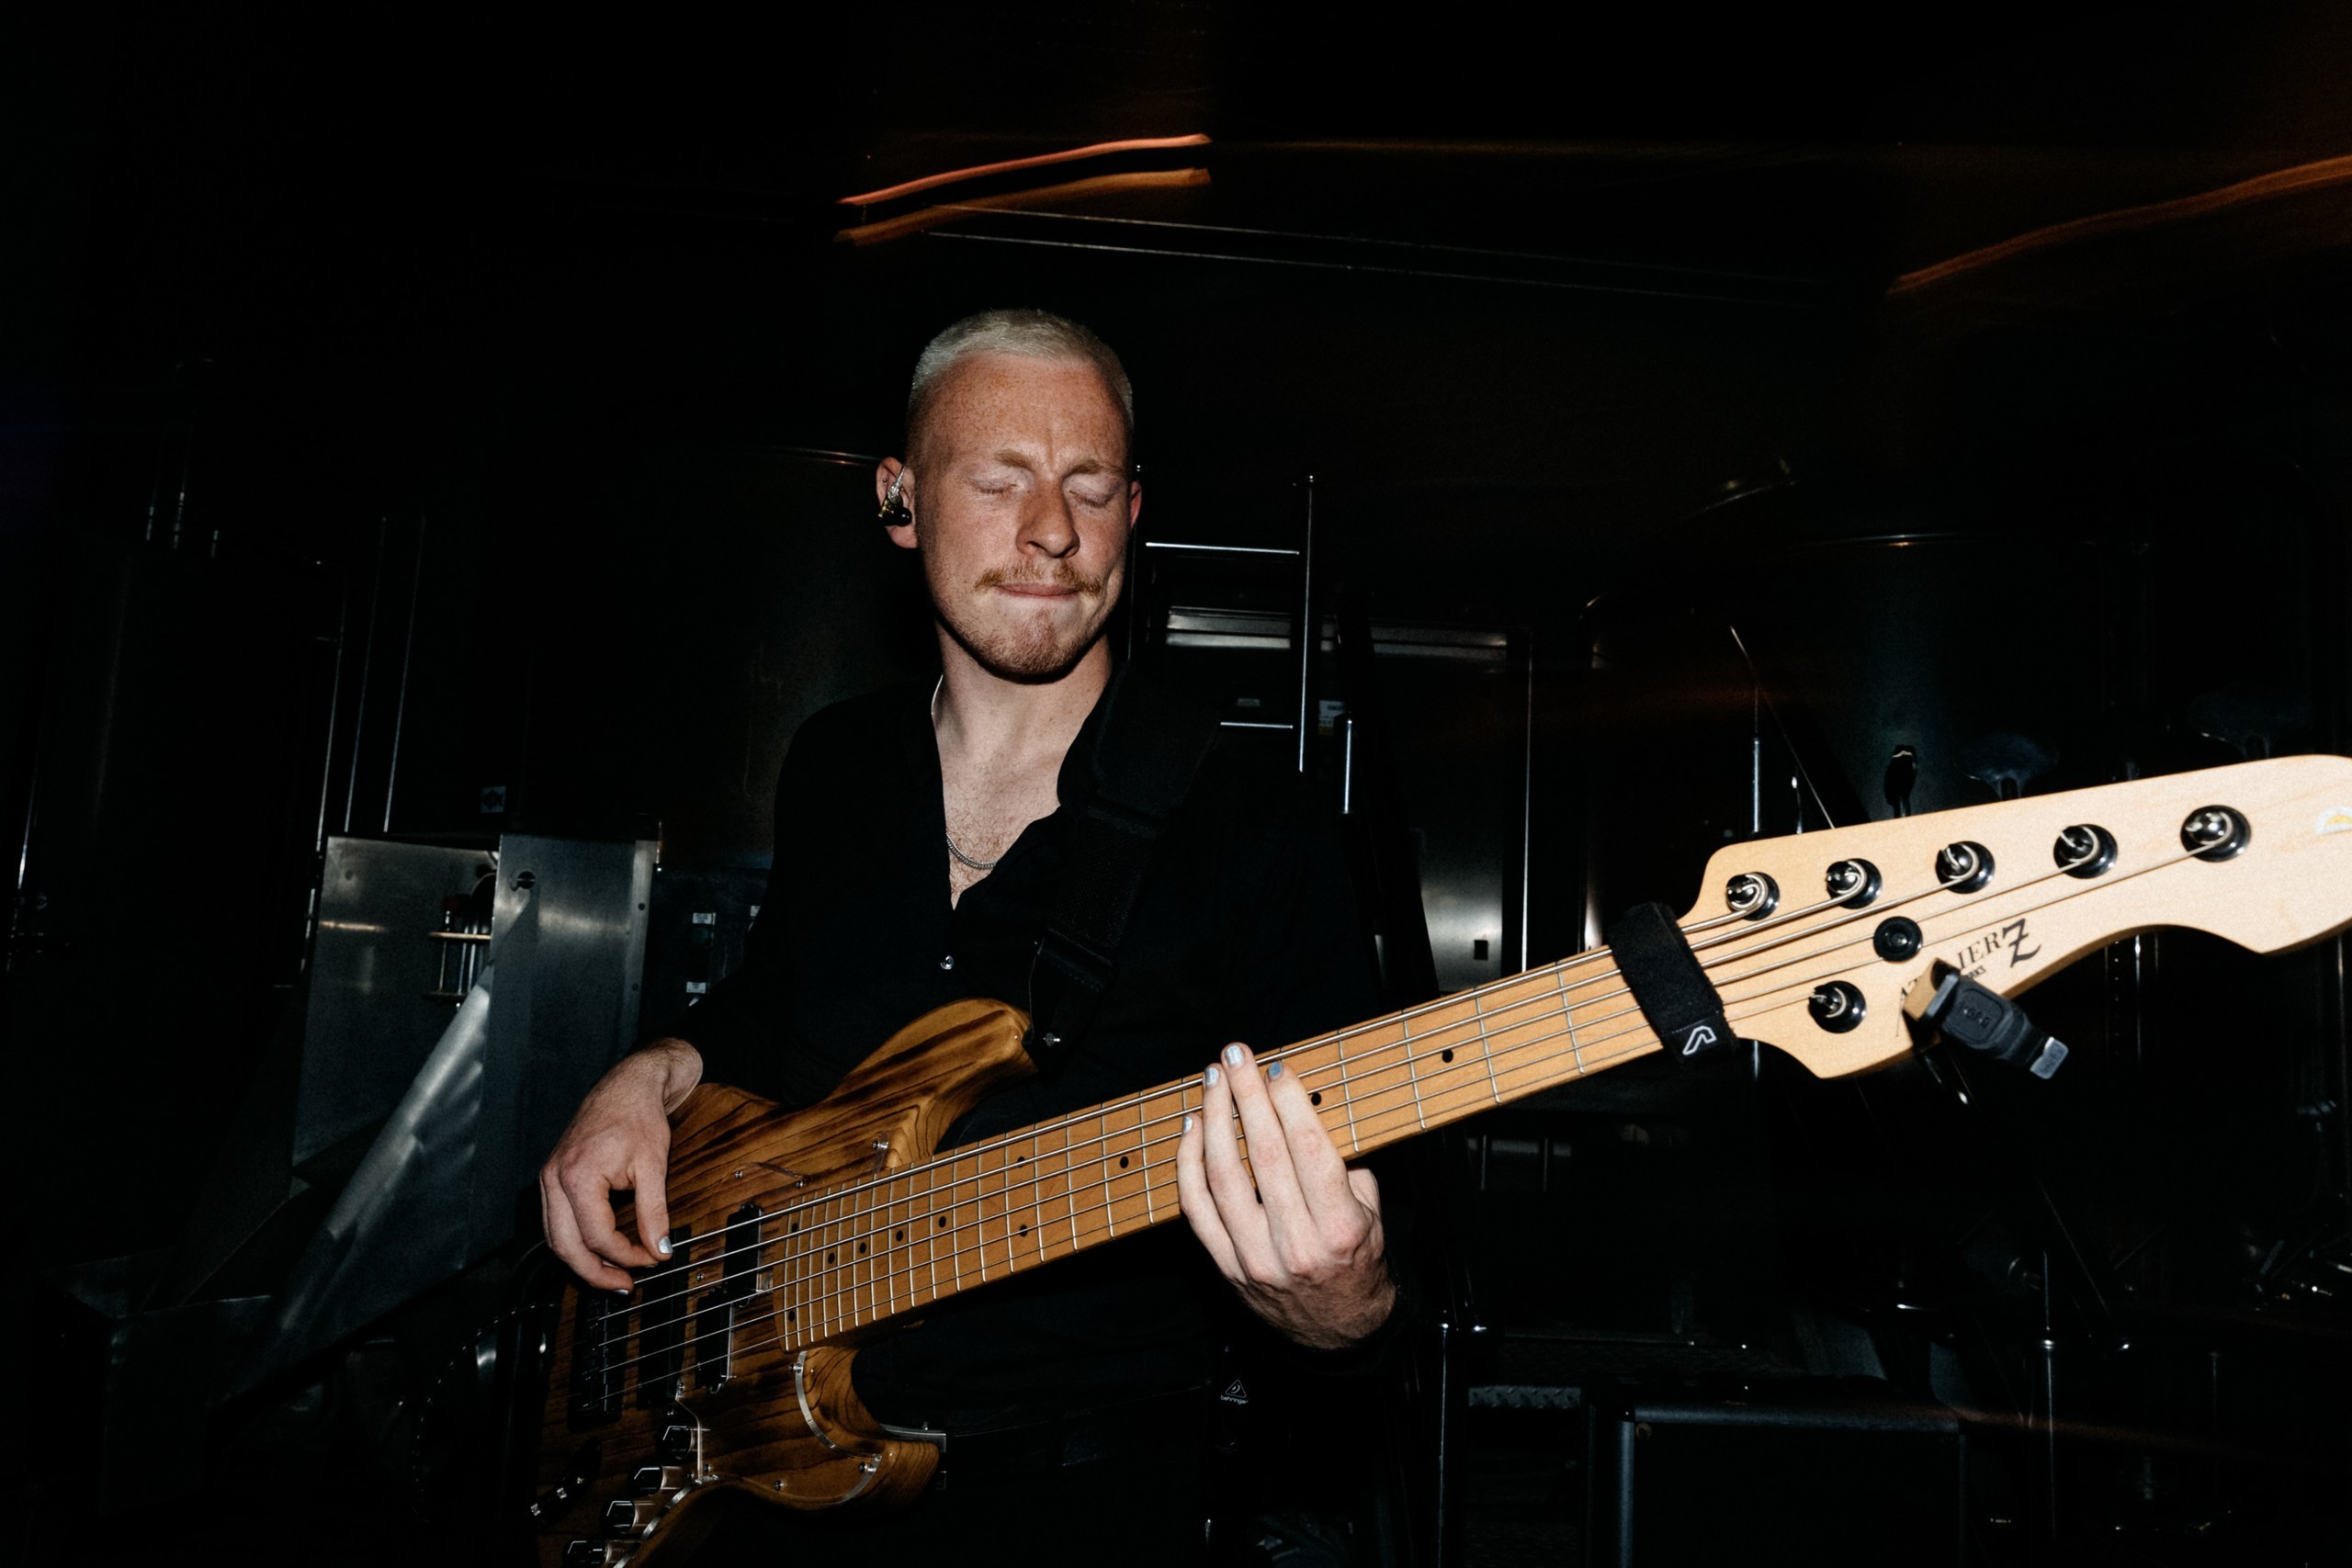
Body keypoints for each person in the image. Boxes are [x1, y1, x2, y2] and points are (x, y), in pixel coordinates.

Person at [537, 309, 1401, 1560]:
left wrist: (1344, 1304)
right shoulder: (836, 765)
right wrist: (649, 1071)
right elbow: (776, 1012)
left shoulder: (1254, 820)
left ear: (1135, 510)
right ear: (900, 501)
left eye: (1091, 487)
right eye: (1000, 482)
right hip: (762, 1482)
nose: (1053, 531)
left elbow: (1379, 1218)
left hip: (1084, 1505)